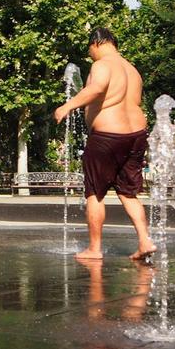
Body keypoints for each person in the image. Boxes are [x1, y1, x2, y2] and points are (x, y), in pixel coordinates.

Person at [54, 28, 156, 262]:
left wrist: (67, 106)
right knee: (129, 193)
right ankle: (144, 241)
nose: (90, 55)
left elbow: (97, 88)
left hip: (108, 136)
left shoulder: (102, 65)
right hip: (136, 135)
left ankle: (94, 248)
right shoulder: (132, 70)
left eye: (89, 50)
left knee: (95, 193)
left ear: (96, 44)